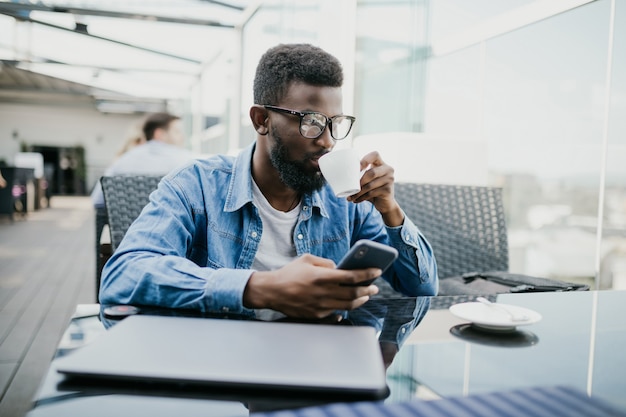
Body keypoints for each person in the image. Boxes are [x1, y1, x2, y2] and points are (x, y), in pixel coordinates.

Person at [100, 44, 438, 320]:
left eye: (335, 123)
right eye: (312, 122)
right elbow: (123, 275)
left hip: (321, 364)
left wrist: (390, 210)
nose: (327, 142)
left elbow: (423, 289)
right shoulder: (197, 186)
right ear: (262, 119)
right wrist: (259, 287)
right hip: (222, 368)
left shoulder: (345, 200)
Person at [90, 112, 194, 208]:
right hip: (175, 226)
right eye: (177, 132)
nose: (182, 137)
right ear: (159, 134)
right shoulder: (187, 162)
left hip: (128, 227)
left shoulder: (123, 160)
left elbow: (97, 201)